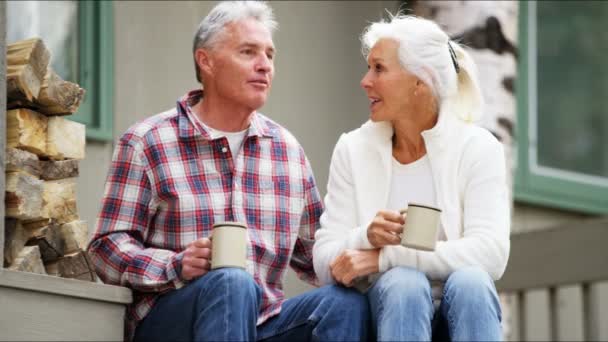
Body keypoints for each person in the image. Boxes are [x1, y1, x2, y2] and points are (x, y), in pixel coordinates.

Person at [88, 2, 370, 341]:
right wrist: (175, 265)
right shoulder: (147, 142)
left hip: (262, 324)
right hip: (173, 322)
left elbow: (316, 255)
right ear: (206, 61)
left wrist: (371, 251)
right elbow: (105, 248)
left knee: (344, 304)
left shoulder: (287, 151)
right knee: (232, 281)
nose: (264, 65)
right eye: (248, 52)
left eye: (270, 54)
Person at [313, 14, 510, 341]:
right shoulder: (353, 149)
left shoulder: (479, 148)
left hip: (460, 309)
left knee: (472, 282)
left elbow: (490, 254)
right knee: (404, 281)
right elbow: (324, 260)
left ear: (420, 81)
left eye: (379, 68)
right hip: (385, 311)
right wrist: (366, 237)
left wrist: (383, 256)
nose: (365, 81)